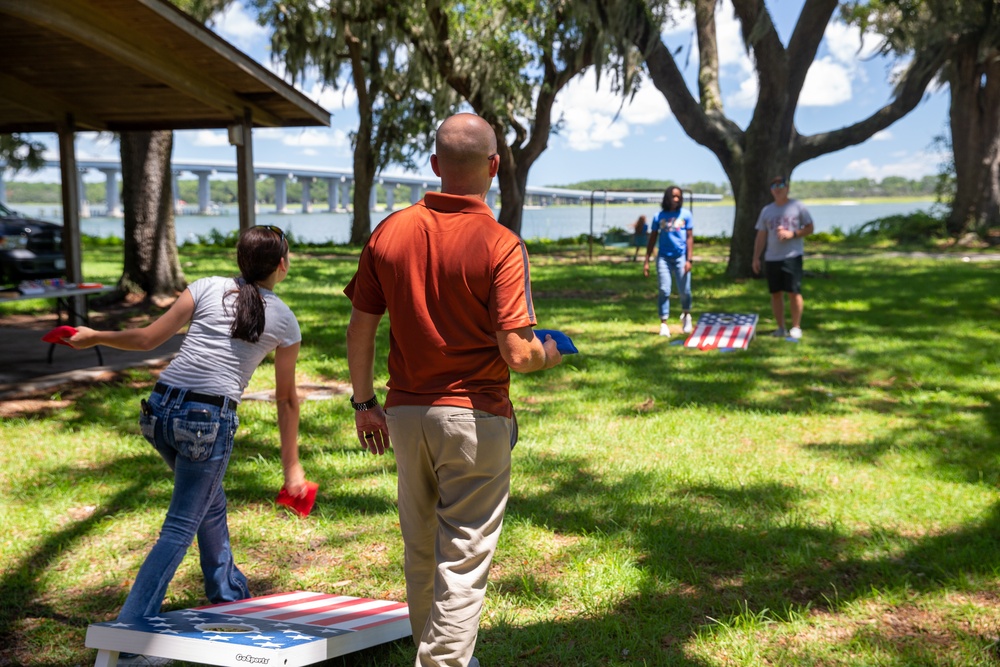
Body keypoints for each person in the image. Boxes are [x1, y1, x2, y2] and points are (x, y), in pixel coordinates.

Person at [344, 113, 563, 667]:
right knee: (462, 559)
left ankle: (438, 653)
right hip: (474, 417)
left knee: (422, 551)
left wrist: (364, 402)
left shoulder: (389, 231)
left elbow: (361, 326)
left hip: (404, 415)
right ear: (494, 167)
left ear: (437, 166)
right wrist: (552, 350)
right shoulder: (501, 243)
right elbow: (518, 352)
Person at [66, 225, 307, 623]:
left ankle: (228, 595)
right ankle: (130, 634)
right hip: (204, 422)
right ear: (282, 265)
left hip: (158, 411)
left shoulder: (206, 286)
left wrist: (94, 336)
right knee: (179, 528)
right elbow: (286, 400)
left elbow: (146, 339)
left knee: (208, 503)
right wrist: (291, 468)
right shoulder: (283, 319)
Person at [752, 175, 814, 340]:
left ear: (787, 188)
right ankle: (780, 327)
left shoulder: (797, 206)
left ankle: (796, 326)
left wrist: (792, 234)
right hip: (772, 258)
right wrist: (756, 257)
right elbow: (761, 235)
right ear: (771, 190)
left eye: (781, 185)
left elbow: (810, 228)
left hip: (792, 256)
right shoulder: (767, 210)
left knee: (793, 292)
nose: (778, 189)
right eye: (774, 186)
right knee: (775, 293)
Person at [643, 185, 694, 337]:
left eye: (678, 196)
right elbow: (652, 238)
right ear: (667, 198)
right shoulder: (659, 216)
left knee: (685, 290)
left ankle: (686, 314)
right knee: (664, 289)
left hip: (681, 257)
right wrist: (646, 260)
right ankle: (664, 323)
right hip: (663, 257)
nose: (676, 199)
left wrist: (689, 259)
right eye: (673, 196)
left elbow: (690, 238)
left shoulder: (686, 214)